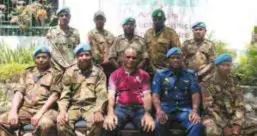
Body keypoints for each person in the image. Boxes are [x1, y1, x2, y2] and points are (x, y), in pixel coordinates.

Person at [0, 46, 62, 136]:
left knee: (46, 124)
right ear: (34, 59)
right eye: (38, 57)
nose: (41, 60)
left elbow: (55, 95)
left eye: (44, 57)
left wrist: (39, 113)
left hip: (46, 110)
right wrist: (13, 111)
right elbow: (19, 93)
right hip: (26, 109)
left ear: (49, 58)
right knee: (2, 120)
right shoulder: (27, 72)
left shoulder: (56, 74)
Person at [57, 43, 108, 136]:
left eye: (87, 55)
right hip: (74, 107)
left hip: (91, 106)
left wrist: (98, 111)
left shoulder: (98, 72)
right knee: (62, 124)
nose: (84, 57)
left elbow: (102, 95)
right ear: (77, 57)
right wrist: (63, 111)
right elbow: (65, 95)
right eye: (81, 55)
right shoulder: (70, 72)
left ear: (91, 56)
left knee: (98, 122)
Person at [103, 47, 155, 136]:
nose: (131, 60)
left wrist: (148, 114)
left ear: (137, 60)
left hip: (139, 108)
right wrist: (110, 113)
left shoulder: (144, 75)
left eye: (134, 58)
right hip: (121, 108)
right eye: (128, 57)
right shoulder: (115, 74)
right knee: (109, 126)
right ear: (123, 57)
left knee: (148, 127)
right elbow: (111, 95)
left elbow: (147, 96)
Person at [152, 47, 204, 136]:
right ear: (168, 60)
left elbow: (195, 94)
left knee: (197, 124)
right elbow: (155, 94)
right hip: (166, 109)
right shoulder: (160, 74)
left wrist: (195, 111)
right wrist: (159, 110)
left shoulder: (190, 74)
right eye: (173, 58)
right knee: (158, 124)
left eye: (178, 57)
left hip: (185, 110)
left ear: (182, 59)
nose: (175, 60)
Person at [201, 54, 245, 136]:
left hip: (232, 116)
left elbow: (240, 104)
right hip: (214, 117)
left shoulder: (234, 80)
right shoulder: (208, 82)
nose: (226, 68)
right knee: (211, 130)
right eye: (223, 65)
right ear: (217, 66)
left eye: (228, 65)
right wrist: (224, 126)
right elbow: (209, 108)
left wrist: (237, 124)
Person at [144, 8, 181, 73]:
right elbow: (144, 51)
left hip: (166, 71)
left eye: (159, 19)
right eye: (155, 19)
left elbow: (176, 51)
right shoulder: (148, 33)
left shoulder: (171, 33)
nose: (157, 21)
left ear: (164, 20)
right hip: (150, 71)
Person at [46, 7, 80, 71]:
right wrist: (64, 65)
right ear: (58, 17)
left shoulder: (75, 32)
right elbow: (51, 51)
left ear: (69, 17)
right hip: (57, 67)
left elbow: (77, 50)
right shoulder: (52, 32)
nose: (64, 17)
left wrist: (73, 64)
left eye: (66, 15)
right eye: (61, 15)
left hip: (72, 67)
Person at [88, 10, 115, 78]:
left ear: (104, 20)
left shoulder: (110, 34)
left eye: (101, 19)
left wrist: (108, 59)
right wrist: (101, 61)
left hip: (109, 64)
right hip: (97, 64)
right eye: (97, 19)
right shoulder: (91, 33)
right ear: (94, 21)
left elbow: (112, 49)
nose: (99, 21)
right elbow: (94, 50)